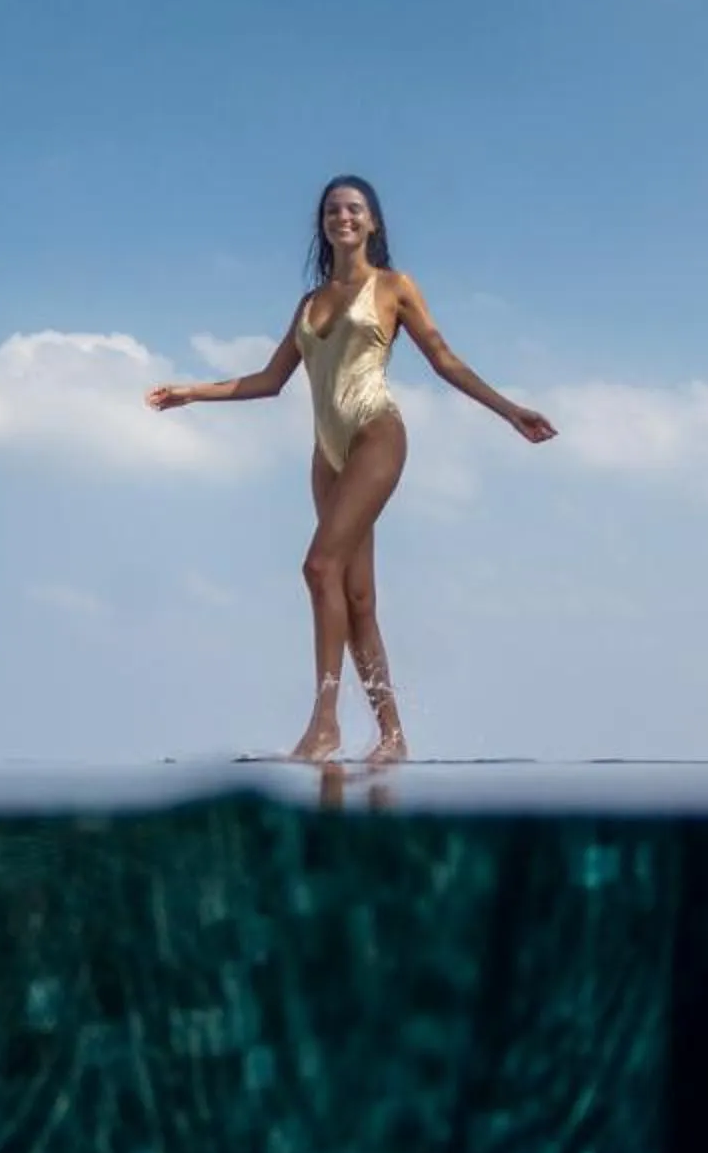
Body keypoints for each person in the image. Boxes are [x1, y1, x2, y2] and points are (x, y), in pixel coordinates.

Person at [144, 175, 555, 765]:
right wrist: (193, 392)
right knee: (356, 596)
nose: (343, 216)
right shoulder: (308, 304)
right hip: (327, 454)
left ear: (373, 223)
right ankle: (392, 737)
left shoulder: (393, 286)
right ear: (324, 223)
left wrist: (510, 410)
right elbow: (268, 380)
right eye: (333, 209)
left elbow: (444, 359)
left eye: (354, 209)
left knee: (318, 566)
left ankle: (325, 724)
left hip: (375, 435)